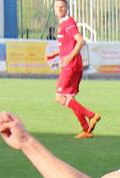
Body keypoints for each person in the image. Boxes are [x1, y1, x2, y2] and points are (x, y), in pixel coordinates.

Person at [44, 0, 101, 139]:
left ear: (66, 8)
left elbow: (80, 41)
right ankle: (86, 129)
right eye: (57, 7)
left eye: (62, 7)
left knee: (59, 97)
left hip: (71, 64)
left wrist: (69, 57)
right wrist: (55, 54)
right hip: (75, 64)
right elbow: (68, 45)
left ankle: (91, 115)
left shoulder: (67, 23)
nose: (59, 9)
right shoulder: (64, 23)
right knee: (70, 98)